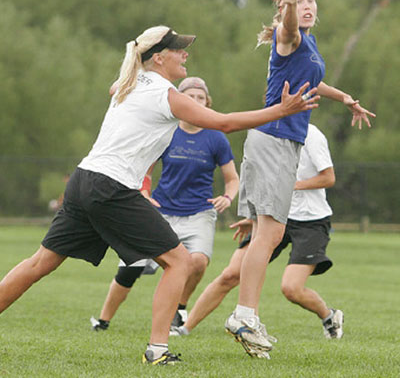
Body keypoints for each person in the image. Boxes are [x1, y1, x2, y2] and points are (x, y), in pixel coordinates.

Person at [0, 25, 319, 366]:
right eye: (178, 49)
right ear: (158, 58)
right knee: (179, 261)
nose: (185, 54)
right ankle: (157, 350)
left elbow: (119, 84)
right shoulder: (163, 94)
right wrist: (280, 111)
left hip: (83, 181)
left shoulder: (131, 82)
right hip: (111, 186)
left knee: (39, 263)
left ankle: (157, 347)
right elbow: (223, 123)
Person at [224, 0, 375, 358]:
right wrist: (289, 6)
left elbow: (314, 80)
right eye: (300, 0)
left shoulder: (308, 43)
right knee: (269, 236)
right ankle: (244, 316)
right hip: (274, 140)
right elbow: (288, 28)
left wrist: (344, 98)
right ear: (284, 9)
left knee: (265, 235)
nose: (307, 5)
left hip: (273, 141)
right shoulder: (287, 33)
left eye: (311, 0)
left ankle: (248, 317)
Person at [171, 124, 342, 359]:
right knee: (231, 274)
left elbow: (328, 177)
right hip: (273, 215)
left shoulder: (311, 134)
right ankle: (185, 328)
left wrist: (289, 186)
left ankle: (329, 316)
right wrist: (252, 218)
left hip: (311, 221)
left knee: (291, 288)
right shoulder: (266, 132)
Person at [90, 76, 240, 334]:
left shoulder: (216, 138)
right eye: (190, 97)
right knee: (131, 267)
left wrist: (227, 197)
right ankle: (103, 320)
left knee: (198, 262)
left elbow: (233, 179)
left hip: (199, 213)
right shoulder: (166, 131)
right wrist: (145, 193)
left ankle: (179, 308)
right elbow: (145, 169)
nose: (195, 101)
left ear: (207, 102)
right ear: (179, 101)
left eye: (200, 98)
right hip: (161, 211)